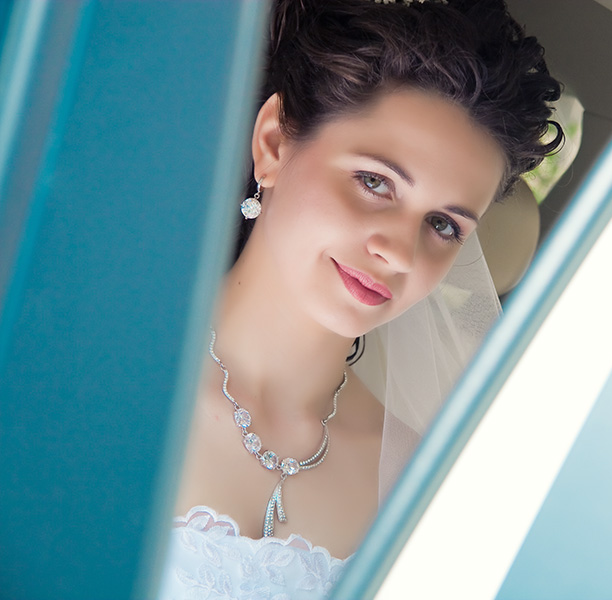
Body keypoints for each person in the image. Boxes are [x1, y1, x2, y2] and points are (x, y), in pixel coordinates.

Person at [158, 0, 562, 597]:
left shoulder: (415, 482)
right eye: (375, 182)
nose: (399, 252)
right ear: (274, 143)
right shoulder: (100, 371)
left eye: (443, 225)